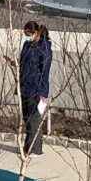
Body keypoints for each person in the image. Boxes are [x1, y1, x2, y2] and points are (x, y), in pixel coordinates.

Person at [18, 21, 52, 156]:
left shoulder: (44, 48)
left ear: (36, 33)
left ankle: (35, 148)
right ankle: (28, 146)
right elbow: (23, 62)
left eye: (29, 34)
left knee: (34, 119)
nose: (27, 37)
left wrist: (43, 92)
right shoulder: (27, 45)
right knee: (27, 118)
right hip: (25, 85)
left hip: (36, 88)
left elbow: (45, 71)